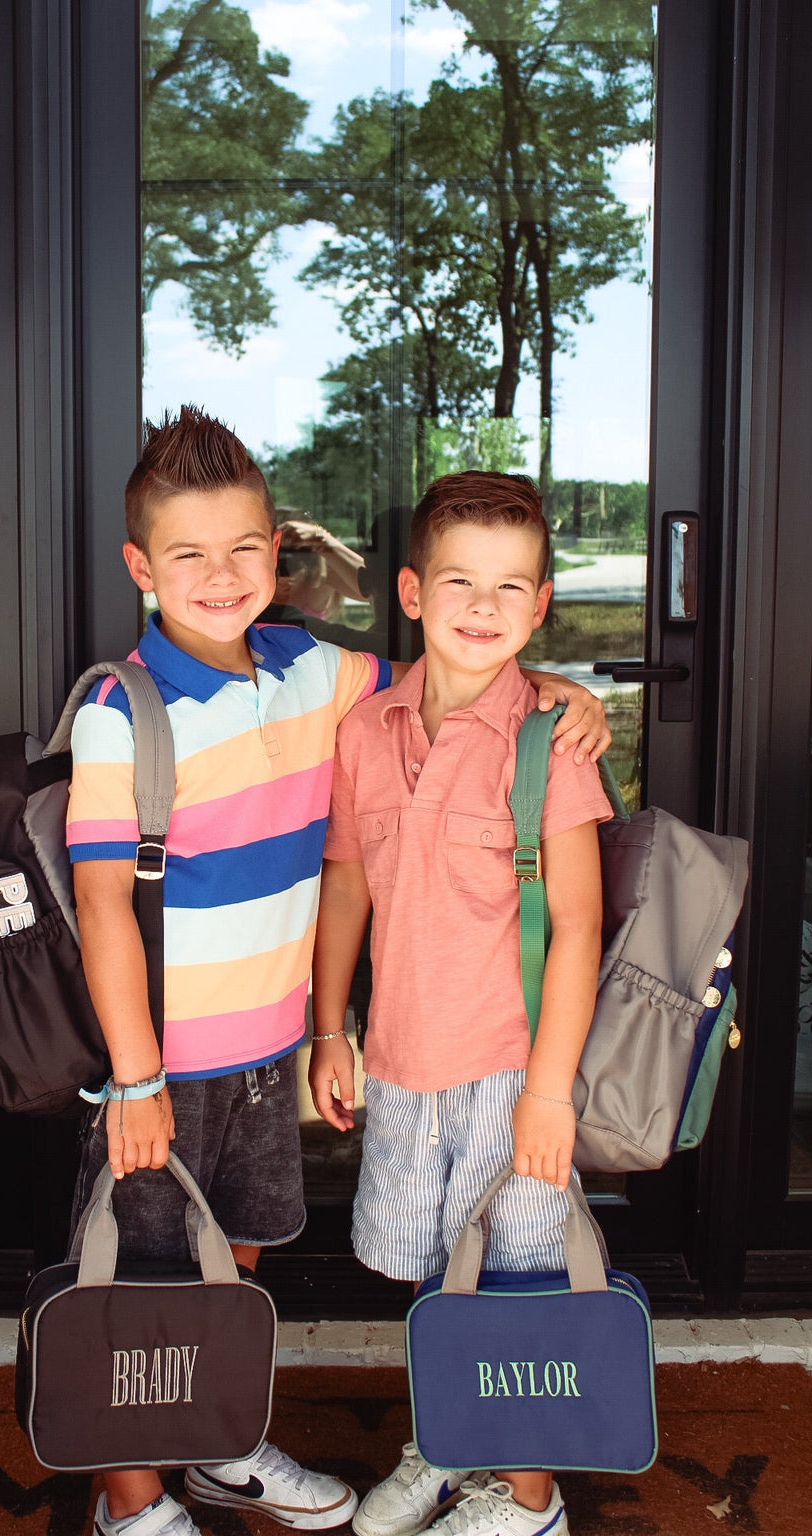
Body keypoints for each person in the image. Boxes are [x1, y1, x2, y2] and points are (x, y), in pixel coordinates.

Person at [65, 412, 611, 1536]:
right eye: (188, 555)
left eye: (245, 550)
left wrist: (564, 687)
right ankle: (131, 1499)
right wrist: (131, 1075)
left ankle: (223, 1446)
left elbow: (465, 658)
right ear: (138, 568)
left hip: (269, 1056)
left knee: (238, 1262)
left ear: (281, 552)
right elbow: (102, 902)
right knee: (137, 1271)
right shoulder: (123, 712)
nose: (221, 577)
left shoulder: (316, 673)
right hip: (163, 1062)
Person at [310, 471, 613, 1536]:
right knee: (433, 1281)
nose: (480, 607)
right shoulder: (364, 728)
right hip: (398, 1058)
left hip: (507, 1068)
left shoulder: (548, 741)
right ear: (409, 591)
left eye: (508, 588)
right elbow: (345, 880)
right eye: (457, 582)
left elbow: (577, 925)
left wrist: (547, 1095)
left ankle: (525, 1499)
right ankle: (446, 1442)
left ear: (538, 609)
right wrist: (327, 1030)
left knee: (514, 1285)